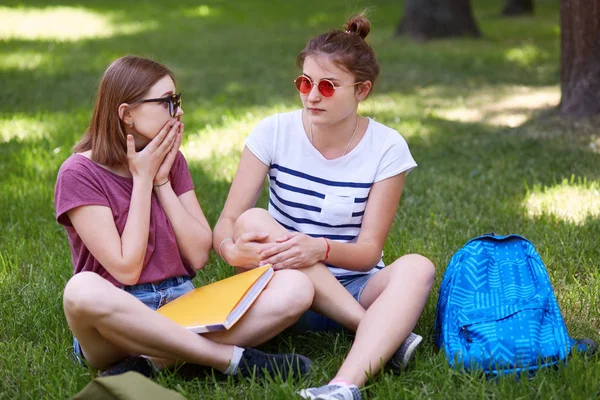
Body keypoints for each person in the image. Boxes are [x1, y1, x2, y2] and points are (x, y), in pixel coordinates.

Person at [213, 14, 435, 400]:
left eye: (328, 87)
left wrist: (321, 248)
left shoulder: (387, 147)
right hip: (287, 286)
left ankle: (343, 387)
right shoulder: (274, 132)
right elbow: (228, 221)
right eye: (305, 82)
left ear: (362, 90)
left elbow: (368, 253)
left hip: (355, 283)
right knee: (252, 218)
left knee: (418, 267)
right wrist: (230, 249)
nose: (312, 95)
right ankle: (372, 329)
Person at [54, 55, 314, 380]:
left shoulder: (172, 162)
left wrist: (161, 181)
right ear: (127, 114)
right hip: (118, 318)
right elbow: (127, 268)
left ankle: (148, 363)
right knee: (80, 289)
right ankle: (229, 358)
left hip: (181, 301)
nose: (179, 112)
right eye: (167, 102)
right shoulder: (79, 173)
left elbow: (198, 254)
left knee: (296, 285)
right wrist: (142, 180)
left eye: (177, 100)